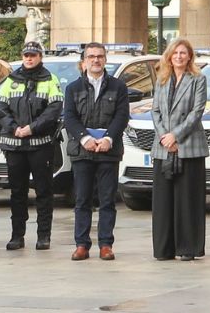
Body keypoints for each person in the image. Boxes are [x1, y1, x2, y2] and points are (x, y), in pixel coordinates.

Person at [63, 42, 129, 261]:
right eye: (91, 56)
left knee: (107, 200)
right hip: (83, 151)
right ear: (84, 61)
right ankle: (81, 244)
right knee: (82, 200)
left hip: (108, 151)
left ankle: (105, 244)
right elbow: (70, 118)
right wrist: (85, 138)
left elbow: (121, 116)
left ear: (105, 60)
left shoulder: (118, 87)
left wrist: (109, 138)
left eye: (99, 56)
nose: (96, 60)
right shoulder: (73, 88)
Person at [0, 41, 63, 251]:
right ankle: (17, 236)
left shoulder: (50, 80)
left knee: (43, 191)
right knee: (17, 192)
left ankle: (44, 236)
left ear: (40, 57)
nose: (29, 58)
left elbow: (54, 110)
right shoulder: (11, 80)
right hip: (14, 145)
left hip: (40, 145)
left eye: (33, 55)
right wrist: (14, 127)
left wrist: (32, 128)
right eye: (26, 55)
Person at [150, 38, 208, 261]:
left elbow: (196, 112)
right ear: (169, 56)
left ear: (190, 56)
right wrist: (165, 136)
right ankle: (164, 249)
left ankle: (188, 248)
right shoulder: (162, 80)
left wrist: (176, 135)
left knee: (187, 200)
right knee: (163, 201)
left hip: (188, 146)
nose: (179, 56)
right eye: (175, 53)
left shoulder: (198, 79)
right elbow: (155, 111)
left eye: (183, 53)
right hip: (163, 146)